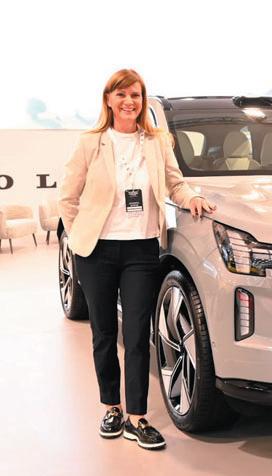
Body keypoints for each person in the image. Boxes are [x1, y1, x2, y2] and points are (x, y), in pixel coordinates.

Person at [58, 69, 216, 450]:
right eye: (122, 94)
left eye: (136, 95)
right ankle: (111, 408)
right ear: (109, 99)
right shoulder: (90, 142)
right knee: (103, 334)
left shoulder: (157, 141)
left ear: (142, 101)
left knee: (137, 336)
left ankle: (136, 418)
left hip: (141, 250)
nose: (130, 101)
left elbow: (175, 183)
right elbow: (67, 196)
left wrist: (192, 198)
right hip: (97, 251)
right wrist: (79, 239)